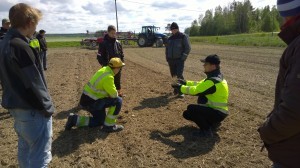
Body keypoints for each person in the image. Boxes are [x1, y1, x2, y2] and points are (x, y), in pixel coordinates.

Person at [0, 3, 54, 167]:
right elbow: (35, 83)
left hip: (15, 107)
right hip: (32, 110)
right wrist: (48, 108)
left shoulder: (4, 43)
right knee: (40, 156)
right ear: (30, 22)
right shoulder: (21, 46)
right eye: (36, 24)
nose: (35, 29)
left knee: (25, 149)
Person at [258, 0, 300, 167]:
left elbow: (294, 110)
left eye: (283, 16)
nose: (282, 23)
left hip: (293, 154)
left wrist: (267, 131)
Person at [172, 54, 229, 137]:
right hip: (217, 111)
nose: (204, 65)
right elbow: (199, 84)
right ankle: (212, 124)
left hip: (218, 113)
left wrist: (180, 87)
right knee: (187, 114)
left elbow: (196, 91)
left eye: (206, 64)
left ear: (213, 66)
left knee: (192, 109)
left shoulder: (213, 81)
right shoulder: (216, 77)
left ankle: (206, 131)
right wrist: (185, 82)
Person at [65, 57, 125, 132]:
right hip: (92, 102)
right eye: (120, 68)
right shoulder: (108, 77)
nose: (120, 70)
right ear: (116, 68)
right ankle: (109, 126)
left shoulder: (104, 69)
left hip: (87, 100)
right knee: (118, 100)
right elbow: (114, 95)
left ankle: (74, 120)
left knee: (100, 121)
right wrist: (116, 93)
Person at [97, 25, 125, 97]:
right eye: (112, 33)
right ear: (108, 33)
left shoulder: (118, 43)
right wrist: (105, 65)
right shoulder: (103, 43)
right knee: (109, 80)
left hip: (118, 66)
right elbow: (99, 56)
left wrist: (121, 62)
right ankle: (109, 94)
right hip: (108, 66)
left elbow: (121, 54)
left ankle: (118, 92)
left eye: (114, 33)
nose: (113, 35)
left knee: (117, 79)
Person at [166, 22, 191, 98]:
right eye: (172, 29)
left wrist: (183, 58)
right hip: (171, 60)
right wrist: (167, 57)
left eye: (174, 29)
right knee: (174, 76)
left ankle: (181, 91)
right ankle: (176, 90)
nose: (173, 31)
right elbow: (167, 49)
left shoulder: (183, 36)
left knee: (179, 75)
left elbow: (188, 48)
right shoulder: (169, 38)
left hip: (179, 60)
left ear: (177, 29)